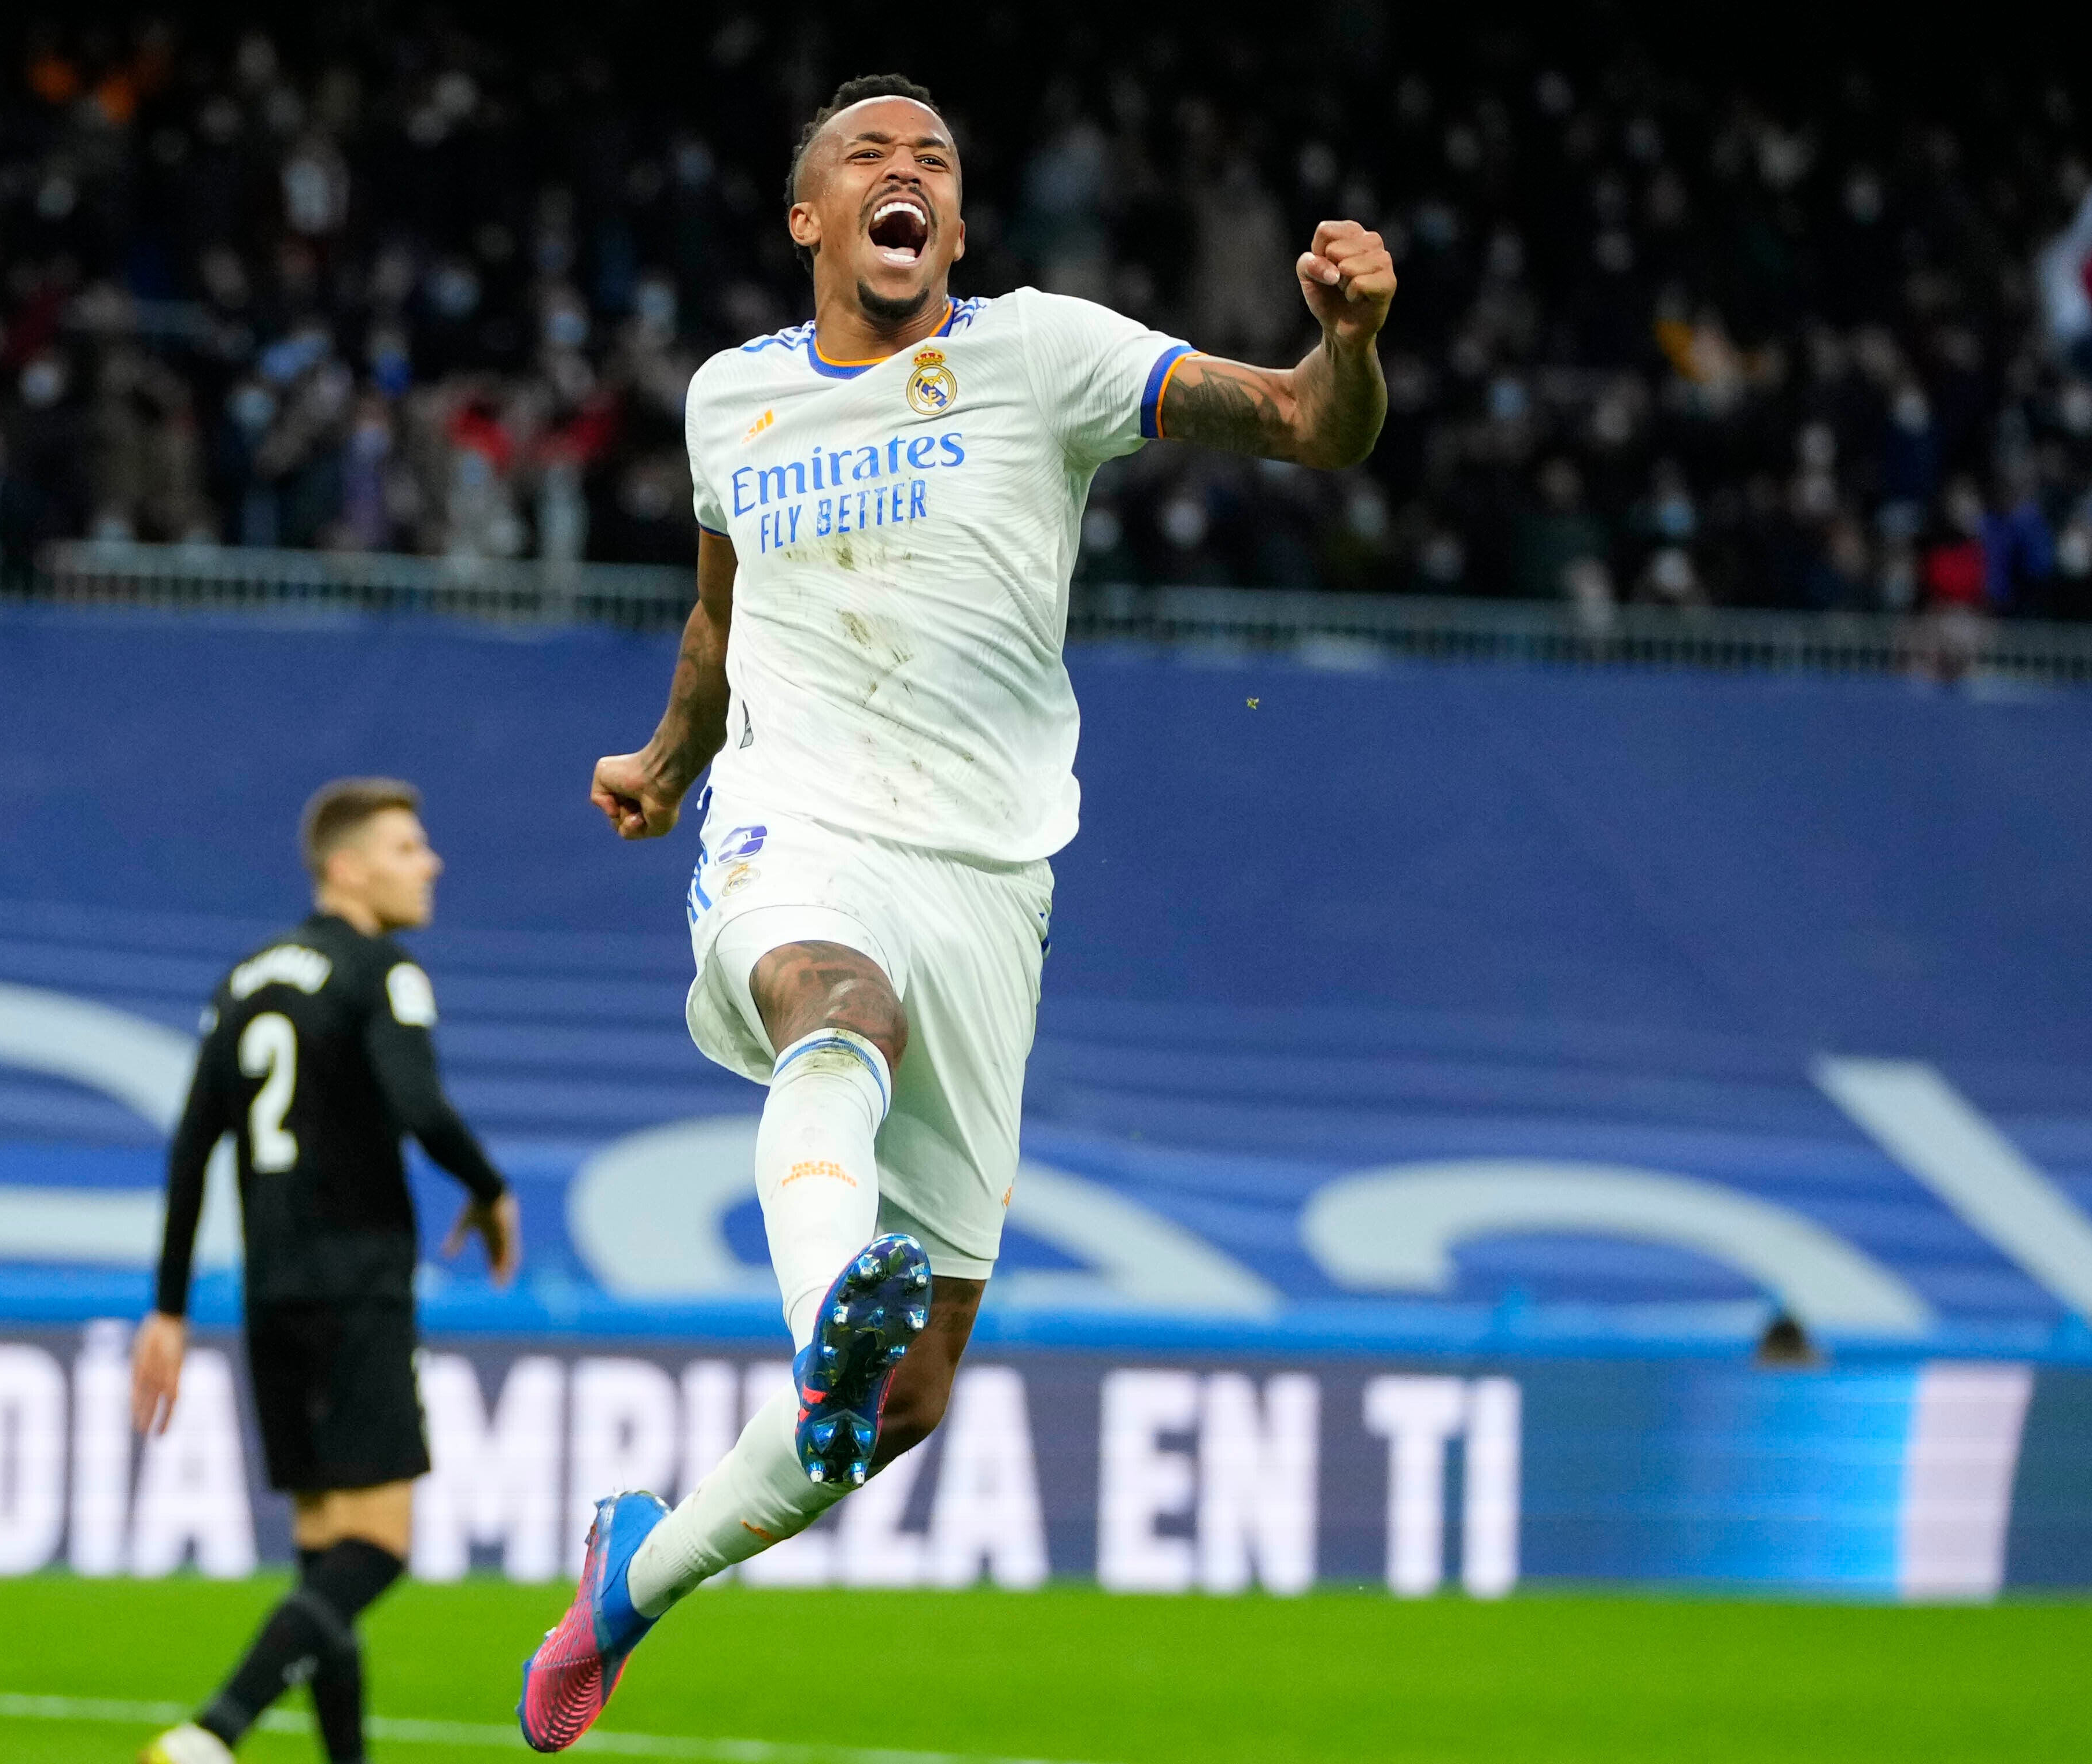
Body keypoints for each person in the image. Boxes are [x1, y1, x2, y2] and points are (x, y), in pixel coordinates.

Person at [519, 72, 1393, 1751]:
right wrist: (668, 756)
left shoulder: (1040, 354)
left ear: (960, 225)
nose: (904, 172)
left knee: (903, 1402)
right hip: (796, 819)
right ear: (810, 219)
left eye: (934, 160)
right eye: (868, 155)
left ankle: (636, 1578)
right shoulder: (731, 401)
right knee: (831, 1002)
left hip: (991, 872)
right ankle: (822, 1304)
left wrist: (1348, 341)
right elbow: (722, 620)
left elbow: (1304, 423)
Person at [135, 778, 519, 1764]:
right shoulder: (384, 969)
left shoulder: (243, 979)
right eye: (406, 848)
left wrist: (168, 1310)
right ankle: (213, 1731)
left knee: (321, 1549)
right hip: (358, 1282)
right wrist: (490, 1186)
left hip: (272, 1292)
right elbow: (420, 1107)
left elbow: (193, 1144)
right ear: (346, 869)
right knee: (379, 1548)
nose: (428, 863)